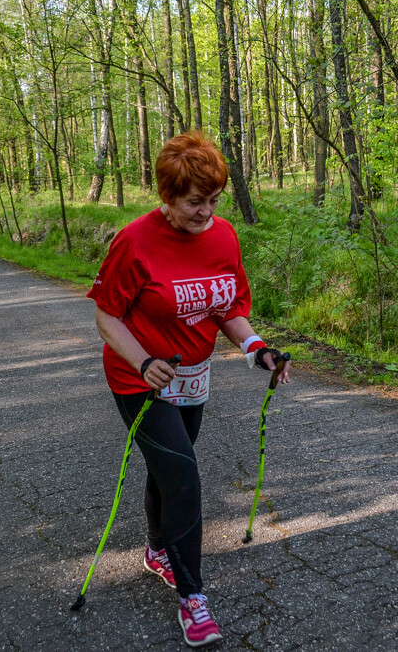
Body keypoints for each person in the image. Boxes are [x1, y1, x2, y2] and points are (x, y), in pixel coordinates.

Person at [86, 131, 291, 648]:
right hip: (140, 379)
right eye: (194, 203)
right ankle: (193, 599)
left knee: (168, 470)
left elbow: (228, 308)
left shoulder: (222, 236)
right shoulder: (134, 241)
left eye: (214, 201)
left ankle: (158, 550)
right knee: (183, 479)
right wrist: (144, 360)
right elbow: (107, 315)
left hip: (193, 377)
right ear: (167, 198)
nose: (206, 214)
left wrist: (257, 349)